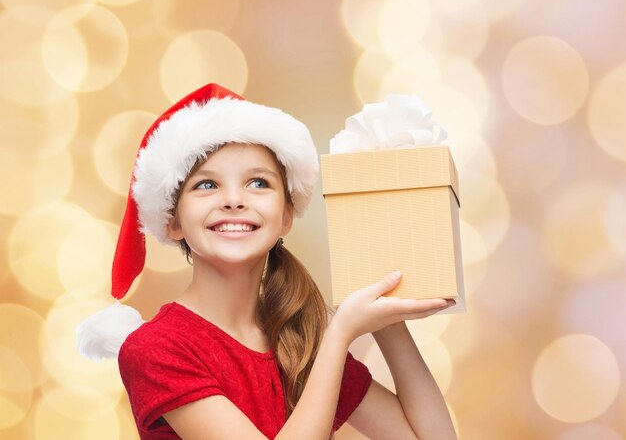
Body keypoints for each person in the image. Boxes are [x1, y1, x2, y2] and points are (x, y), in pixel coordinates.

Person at [77, 83, 457, 440]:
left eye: (258, 183)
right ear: (173, 221)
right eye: (206, 185)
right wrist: (341, 334)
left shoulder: (299, 342)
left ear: (287, 216)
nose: (234, 200)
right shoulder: (156, 349)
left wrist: (386, 322)